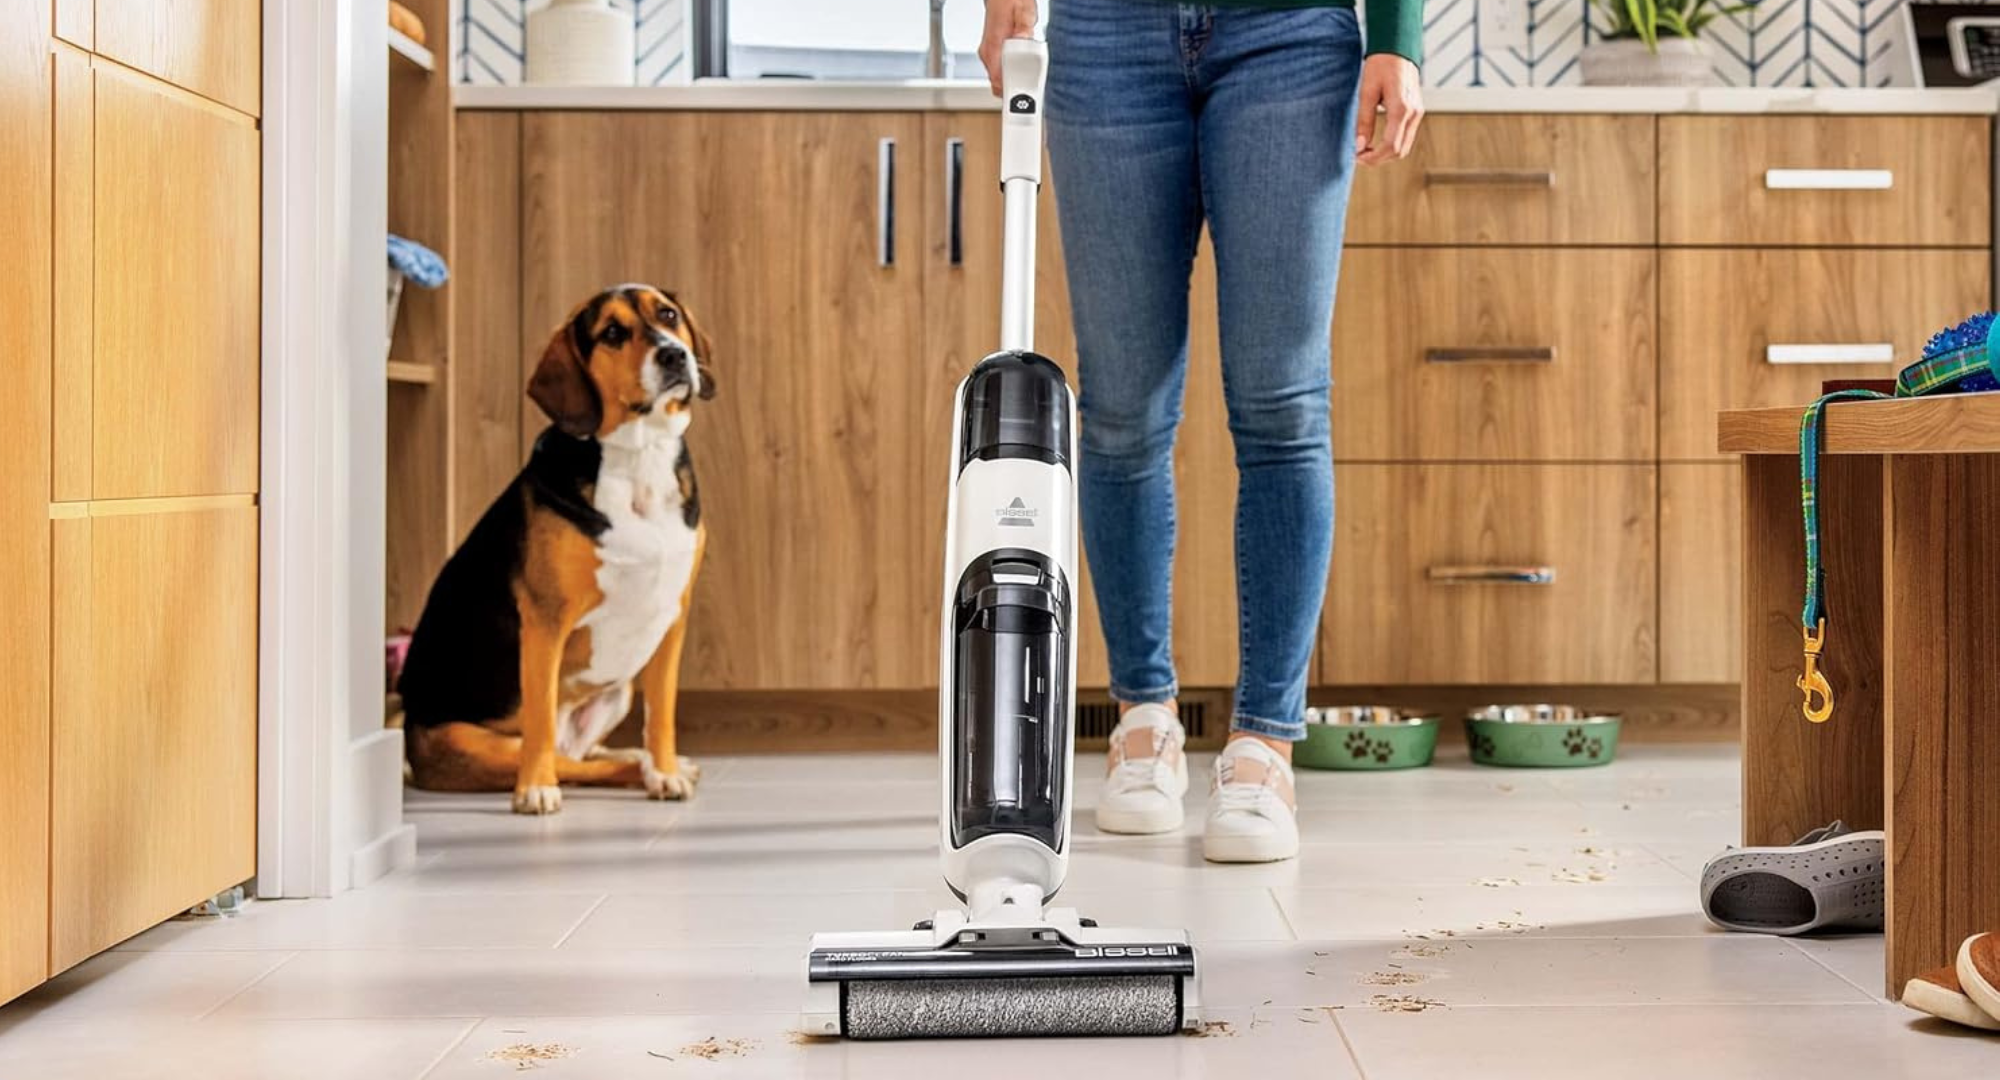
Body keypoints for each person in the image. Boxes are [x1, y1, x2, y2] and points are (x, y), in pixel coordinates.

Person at [978, 0, 1423, 864]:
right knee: (1121, 413)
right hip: (1106, 34)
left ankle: (1264, 746)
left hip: (1289, 35)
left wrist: (1399, 37)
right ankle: (1143, 720)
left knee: (1282, 407)